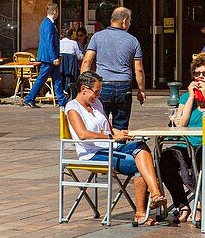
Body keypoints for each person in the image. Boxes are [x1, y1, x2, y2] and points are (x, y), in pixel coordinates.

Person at [64, 71, 167, 226]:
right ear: (83, 89)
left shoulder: (96, 104)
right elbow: (82, 134)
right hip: (92, 153)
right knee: (138, 164)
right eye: (96, 92)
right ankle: (140, 212)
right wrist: (111, 137)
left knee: (141, 146)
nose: (98, 96)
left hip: (112, 147)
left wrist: (120, 133)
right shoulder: (73, 107)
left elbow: (109, 128)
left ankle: (155, 194)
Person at [160, 55, 205, 224]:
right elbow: (180, 125)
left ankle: (200, 205)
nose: (200, 77)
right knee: (165, 160)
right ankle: (183, 204)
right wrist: (192, 98)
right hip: (187, 144)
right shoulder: (186, 98)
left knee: (201, 158)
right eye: (197, 73)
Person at [81, 6, 146, 130]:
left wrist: (84, 85)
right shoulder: (133, 41)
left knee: (99, 122)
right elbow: (139, 69)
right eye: (130, 21)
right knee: (121, 125)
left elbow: (87, 62)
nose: (130, 23)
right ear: (124, 20)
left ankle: (103, 147)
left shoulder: (97, 37)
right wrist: (141, 90)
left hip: (102, 85)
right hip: (124, 86)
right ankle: (120, 147)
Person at [25, 2, 64, 108]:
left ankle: (62, 100)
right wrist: (54, 57)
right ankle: (29, 98)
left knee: (57, 78)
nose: (58, 14)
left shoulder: (47, 23)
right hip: (48, 58)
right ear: (55, 12)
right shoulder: (48, 24)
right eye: (58, 11)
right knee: (42, 78)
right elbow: (49, 41)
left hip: (49, 57)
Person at [59, 29, 82, 99]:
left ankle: (61, 92)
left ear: (61, 35)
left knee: (61, 77)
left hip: (61, 63)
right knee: (70, 77)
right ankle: (68, 92)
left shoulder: (59, 42)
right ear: (71, 35)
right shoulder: (74, 43)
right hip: (71, 64)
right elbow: (79, 56)